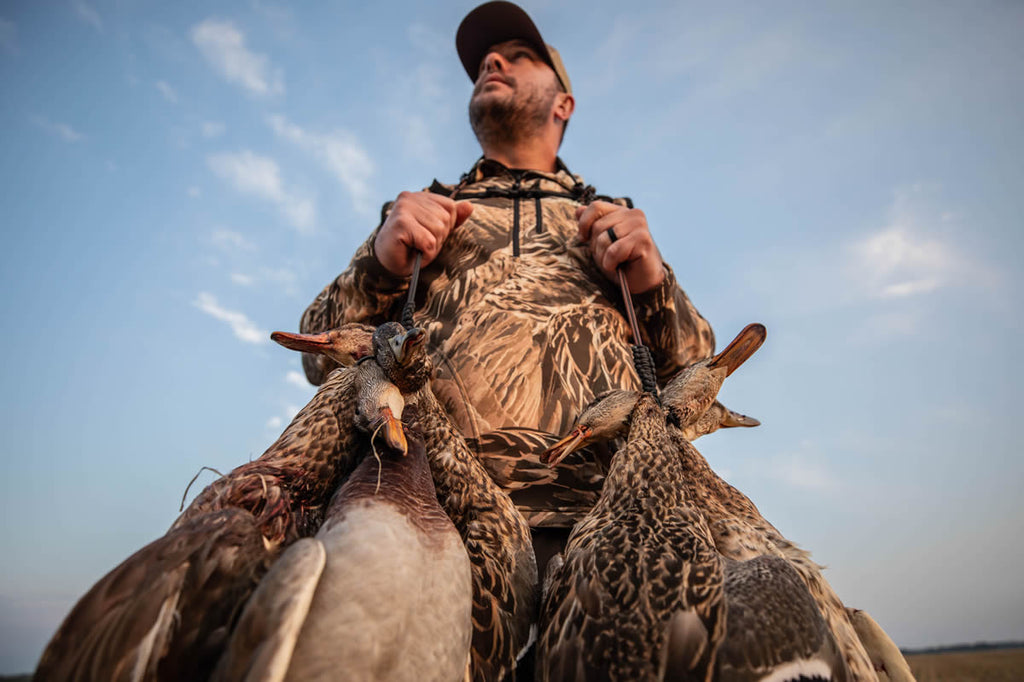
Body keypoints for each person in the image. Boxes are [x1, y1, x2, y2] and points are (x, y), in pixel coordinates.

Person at [300, 1, 713, 542]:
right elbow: (317, 356)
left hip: (616, 527)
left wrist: (653, 285)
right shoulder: (422, 214)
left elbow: (697, 375)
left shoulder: (613, 223)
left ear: (564, 103)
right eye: (485, 62)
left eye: (519, 56)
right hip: (427, 519)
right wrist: (380, 263)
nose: (493, 60)